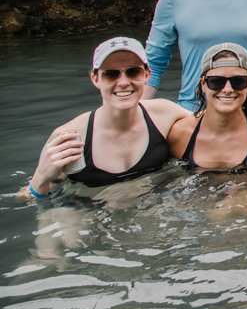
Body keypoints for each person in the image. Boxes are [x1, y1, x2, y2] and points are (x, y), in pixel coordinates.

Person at [22, 38, 191, 198]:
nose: (124, 82)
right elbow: (26, 199)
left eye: (133, 72)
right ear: (95, 79)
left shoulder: (167, 114)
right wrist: (41, 177)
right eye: (111, 74)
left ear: (147, 75)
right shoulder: (70, 136)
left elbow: (210, 129)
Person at [168, 44, 247, 171]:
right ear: (203, 84)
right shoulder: (179, 135)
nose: (228, 89)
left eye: (238, 81)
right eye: (216, 82)